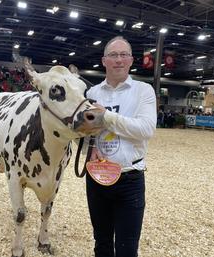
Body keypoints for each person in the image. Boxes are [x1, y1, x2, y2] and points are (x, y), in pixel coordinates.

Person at [85, 36, 157, 257]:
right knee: (102, 243)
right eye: (113, 55)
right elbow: (85, 129)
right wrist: (91, 145)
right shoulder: (92, 94)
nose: (119, 60)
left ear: (131, 60)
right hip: (97, 177)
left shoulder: (144, 91)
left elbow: (146, 129)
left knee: (127, 248)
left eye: (123, 55)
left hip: (130, 178)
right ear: (104, 60)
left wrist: (106, 116)